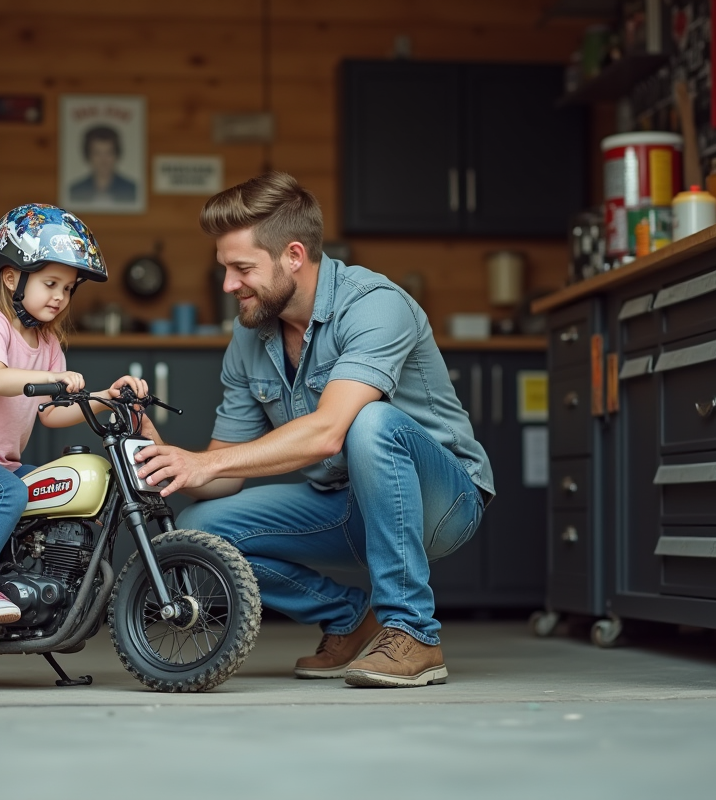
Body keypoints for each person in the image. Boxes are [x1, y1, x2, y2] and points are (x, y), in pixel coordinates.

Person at [132, 172, 494, 688]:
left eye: (242, 269)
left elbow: (328, 432)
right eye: (225, 269)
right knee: (201, 528)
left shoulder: (374, 303)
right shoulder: (250, 335)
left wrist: (207, 462)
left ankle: (413, 630)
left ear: (294, 256)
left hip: (443, 501)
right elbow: (223, 474)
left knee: (369, 421)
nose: (229, 285)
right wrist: (167, 457)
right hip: (345, 505)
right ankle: (348, 619)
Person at [0, 203, 147, 622]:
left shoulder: (49, 343)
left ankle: (30, 587)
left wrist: (106, 396)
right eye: (50, 283)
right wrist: (56, 379)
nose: (60, 296)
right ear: (12, 278)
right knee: (12, 493)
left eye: (69, 288)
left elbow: (51, 414)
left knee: (57, 487)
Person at [68, 125, 137, 205]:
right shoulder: (76, 190)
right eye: (97, 153)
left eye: (109, 153)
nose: (103, 160)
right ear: (88, 155)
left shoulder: (131, 190)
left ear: (116, 155)